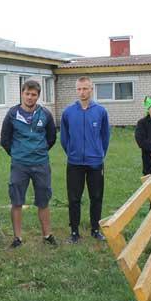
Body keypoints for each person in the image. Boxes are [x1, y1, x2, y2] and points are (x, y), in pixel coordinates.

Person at [0, 79, 57, 247]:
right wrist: (18, 154)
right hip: (20, 165)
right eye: (27, 94)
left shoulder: (45, 114)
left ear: (38, 96)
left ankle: (47, 235)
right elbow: (5, 139)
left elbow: (51, 138)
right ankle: (17, 238)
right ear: (22, 94)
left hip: (41, 164)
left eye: (34, 94)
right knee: (17, 201)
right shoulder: (12, 114)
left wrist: (39, 152)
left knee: (43, 200)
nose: (30, 97)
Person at [60, 76, 110, 243]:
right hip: (74, 163)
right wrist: (72, 152)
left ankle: (96, 230)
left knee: (96, 197)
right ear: (76, 90)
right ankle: (74, 232)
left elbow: (105, 137)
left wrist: (98, 153)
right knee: (74, 198)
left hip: (95, 162)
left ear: (91, 89)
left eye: (85, 88)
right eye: (79, 89)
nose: (82, 92)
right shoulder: (68, 112)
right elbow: (64, 138)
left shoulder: (101, 111)